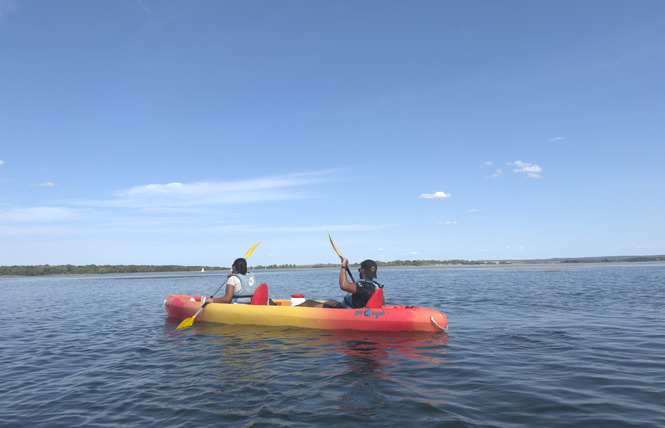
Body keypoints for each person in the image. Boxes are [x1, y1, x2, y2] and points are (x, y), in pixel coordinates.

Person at [298, 258, 384, 308]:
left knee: (308, 302)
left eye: (360, 269)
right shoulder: (376, 286)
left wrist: (343, 266)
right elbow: (382, 304)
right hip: (347, 306)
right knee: (330, 302)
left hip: (344, 311)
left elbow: (344, 285)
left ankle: (286, 313)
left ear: (363, 271)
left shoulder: (364, 286)